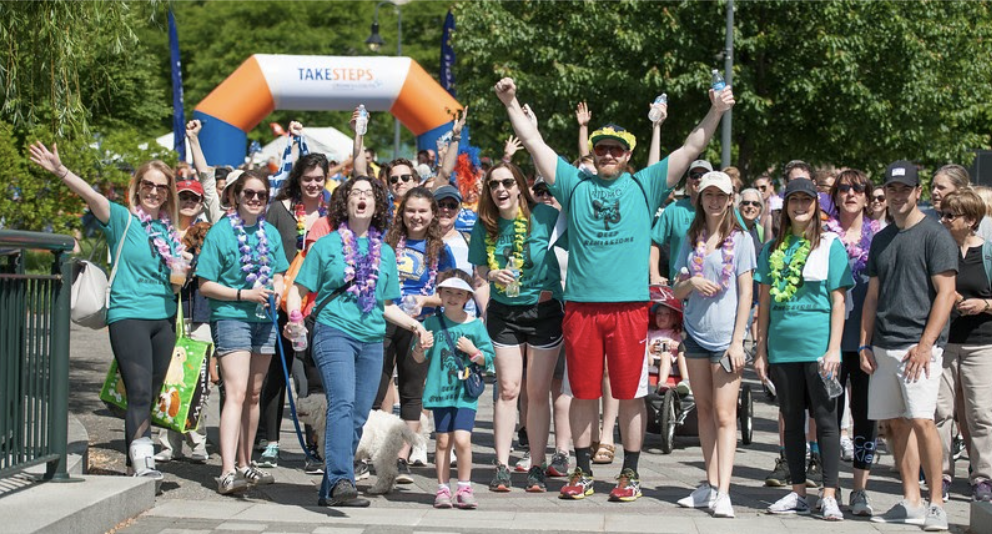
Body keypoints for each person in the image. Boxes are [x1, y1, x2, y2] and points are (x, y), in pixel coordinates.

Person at [495, 76, 734, 503]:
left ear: (628, 156)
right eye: (601, 148)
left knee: (631, 394)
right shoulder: (574, 185)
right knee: (583, 392)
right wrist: (510, 101)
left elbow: (691, 147)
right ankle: (584, 472)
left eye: (616, 150)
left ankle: (630, 472)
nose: (608, 155)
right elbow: (533, 141)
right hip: (583, 309)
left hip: (628, 309)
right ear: (594, 153)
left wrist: (716, 111)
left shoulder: (646, 186)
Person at [29, 142, 184, 484]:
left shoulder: (170, 230)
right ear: (138, 186)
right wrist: (59, 170)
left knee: (152, 393)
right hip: (128, 314)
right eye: (148, 185)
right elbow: (91, 196)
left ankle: (135, 462)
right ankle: (143, 461)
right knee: (139, 390)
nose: (154, 192)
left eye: (161, 187)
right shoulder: (122, 219)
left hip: (164, 318)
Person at [287, 176, 428, 507]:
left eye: (368, 193)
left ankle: (330, 488)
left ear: (377, 205)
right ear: (345, 203)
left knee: (360, 413)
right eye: (355, 193)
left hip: (371, 340)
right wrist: (295, 320)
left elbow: (388, 306)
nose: (362, 198)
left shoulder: (388, 253)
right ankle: (341, 478)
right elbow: (298, 290)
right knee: (343, 403)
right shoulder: (326, 245)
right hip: (333, 331)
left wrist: (415, 326)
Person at [860, 161, 957, 531]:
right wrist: (865, 343)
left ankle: (936, 504)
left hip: (919, 346)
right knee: (895, 425)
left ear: (918, 193)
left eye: (906, 190)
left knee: (922, 421)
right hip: (883, 344)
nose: (898, 196)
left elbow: (946, 295)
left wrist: (925, 344)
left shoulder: (935, 235)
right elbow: (872, 296)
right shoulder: (883, 238)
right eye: (893, 190)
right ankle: (911, 500)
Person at [754, 178, 853, 521]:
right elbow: (764, 302)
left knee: (827, 421)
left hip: (818, 349)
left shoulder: (829, 244)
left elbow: (838, 302)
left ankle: (828, 494)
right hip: (783, 348)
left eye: (806, 200)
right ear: (785, 206)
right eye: (793, 200)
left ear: (816, 206)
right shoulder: (771, 248)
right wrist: (761, 349)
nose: (799, 206)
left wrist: (834, 349)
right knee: (791, 420)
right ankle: (797, 492)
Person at [468, 162, 566, 493]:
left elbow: (575, 250)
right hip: (504, 312)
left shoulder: (546, 217)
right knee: (509, 389)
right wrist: (491, 274)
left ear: (520, 185)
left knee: (537, 392)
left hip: (543, 313)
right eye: (493, 184)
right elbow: (480, 266)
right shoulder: (485, 224)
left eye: (507, 182)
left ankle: (537, 465)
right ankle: (501, 465)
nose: (501, 189)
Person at [196, 170, 290, 494]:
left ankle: (246, 463)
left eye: (261, 195)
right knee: (235, 392)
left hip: (264, 319)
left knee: (254, 393)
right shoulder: (221, 233)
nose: (254, 199)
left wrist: (276, 290)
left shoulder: (270, 234)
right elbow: (204, 284)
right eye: (248, 193)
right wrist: (242, 295)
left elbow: (279, 273)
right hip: (231, 315)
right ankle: (226, 471)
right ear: (235, 196)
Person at [672, 171, 755, 517]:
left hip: (725, 340)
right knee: (704, 411)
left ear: (731, 198)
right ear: (700, 198)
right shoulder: (692, 238)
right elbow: (675, 291)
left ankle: (724, 489)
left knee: (724, 415)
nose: (715, 201)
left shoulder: (742, 239)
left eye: (721, 195)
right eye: (709, 195)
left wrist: (738, 341)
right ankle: (709, 483)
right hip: (695, 335)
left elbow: (747, 293)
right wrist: (692, 281)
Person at [255, 152, 329, 468]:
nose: (313, 184)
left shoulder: (331, 215)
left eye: (319, 179)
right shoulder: (279, 211)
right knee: (276, 373)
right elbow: (262, 248)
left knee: (313, 379)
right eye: (307, 178)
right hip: (281, 304)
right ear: (298, 179)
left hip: (317, 306)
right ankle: (271, 441)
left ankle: (316, 444)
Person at [377, 186, 456, 476]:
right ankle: (370, 451)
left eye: (423, 211)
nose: (416, 216)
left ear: (432, 214)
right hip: (386, 319)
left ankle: (402, 454)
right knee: (377, 386)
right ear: (402, 212)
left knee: (412, 392)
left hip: (419, 325)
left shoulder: (441, 250)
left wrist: (426, 299)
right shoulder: (388, 243)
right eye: (410, 210)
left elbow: (451, 293)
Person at [824, 169, 882, 515]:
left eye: (858, 189)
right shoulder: (823, 234)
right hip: (829, 339)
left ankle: (860, 490)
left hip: (865, 340)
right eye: (843, 188)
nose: (850, 193)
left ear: (867, 195)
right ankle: (831, 488)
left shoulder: (880, 237)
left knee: (864, 415)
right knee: (828, 415)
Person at [413, 270, 495, 510]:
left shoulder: (475, 326)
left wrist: (473, 351)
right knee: (442, 440)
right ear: (438, 294)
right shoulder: (430, 323)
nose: (452, 297)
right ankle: (442, 488)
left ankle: (464, 486)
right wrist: (420, 347)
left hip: (465, 393)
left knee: (462, 439)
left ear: (468, 297)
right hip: (440, 392)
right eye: (447, 292)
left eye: (459, 293)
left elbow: (489, 358)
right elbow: (418, 357)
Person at [934, 189, 992, 503]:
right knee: (940, 412)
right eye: (942, 214)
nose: (943, 220)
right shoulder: (939, 249)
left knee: (980, 413)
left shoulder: (989, 253)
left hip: (982, 344)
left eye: (950, 215)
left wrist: (984, 305)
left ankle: (984, 477)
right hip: (943, 342)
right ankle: (940, 473)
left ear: (970, 220)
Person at [650, 160, 712, 285]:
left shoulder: (722, 210)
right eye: (694, 175)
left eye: (704, 175)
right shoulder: (674, 209)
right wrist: (655, 275)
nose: (699, 179)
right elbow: (654, 242)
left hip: (713, 286)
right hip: (679, 286)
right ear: (688, 181)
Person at [927, 164, 992, 241]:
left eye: (941, 187)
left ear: (960, 189)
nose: (934, 192)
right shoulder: (922, 219)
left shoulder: (984, 224)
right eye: (933, 187)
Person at [648, 288, 688, 394]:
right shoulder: (650, 332)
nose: (662, 317)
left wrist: (675, 344)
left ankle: (662, 382)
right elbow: (645, 347)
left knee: (666, 353)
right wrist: (650, 348)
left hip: (668, 358)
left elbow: (680, 347)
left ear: (674, 319)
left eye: (667, 314)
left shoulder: (675, 333)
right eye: (659, 314)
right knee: (643, 350)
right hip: (652, 357)